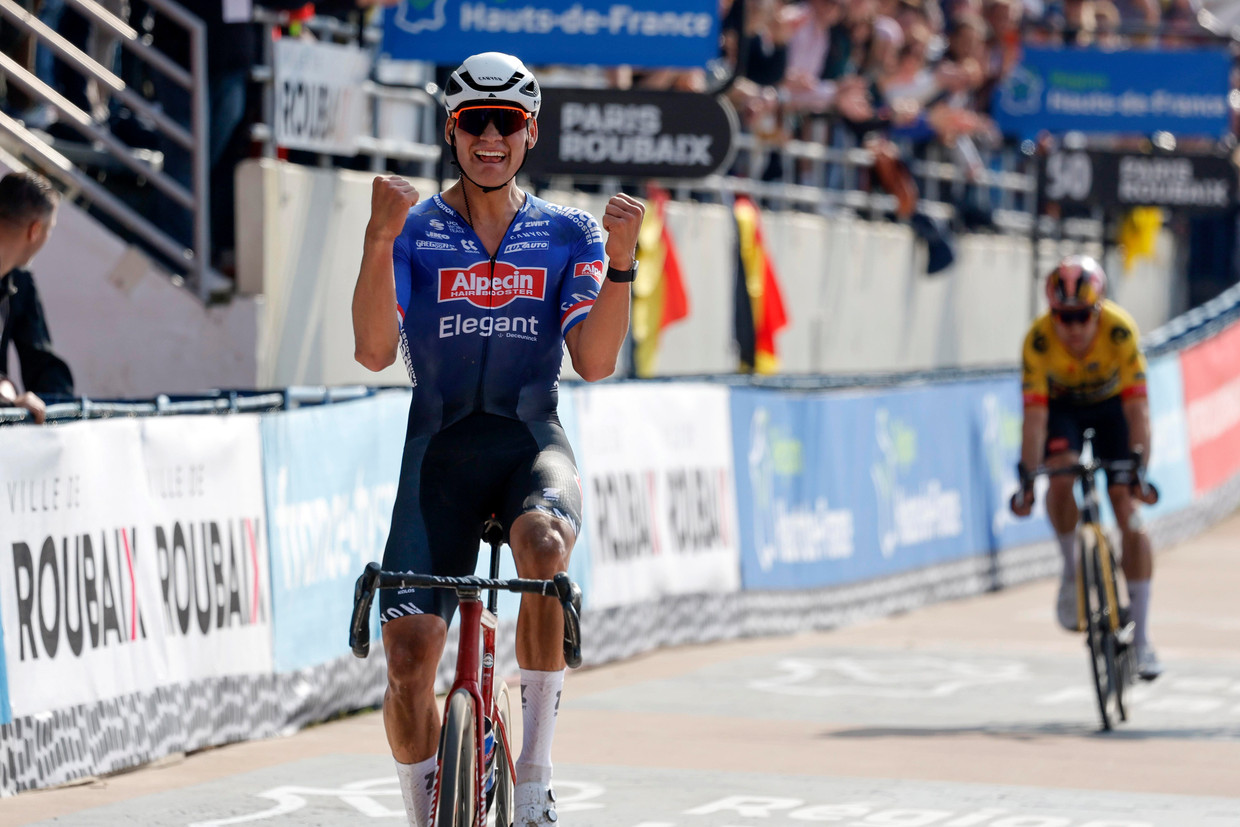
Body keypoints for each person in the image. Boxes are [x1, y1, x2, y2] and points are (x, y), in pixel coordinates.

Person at [350, 52, 643, 827]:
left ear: (530, 132)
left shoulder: (568, 232)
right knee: (408, 662)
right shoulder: (414, 229)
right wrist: (379, 240)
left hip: (527, 446)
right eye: (473, 122)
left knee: (543, 549)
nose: (489, 137)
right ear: (450, 130)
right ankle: (425, 814)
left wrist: (621, 266)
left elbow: (595, 362)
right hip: (438, 457)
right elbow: (374, 351)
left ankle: (535, 781)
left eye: (505, 122)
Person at [1010, 254, 1161, 679]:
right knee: (1060, 477)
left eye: (1082, 317)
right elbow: (1035, 420)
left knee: (1128, 512)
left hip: (1114, 409)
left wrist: (1139, 472)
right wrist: (1027, 481)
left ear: (1098, 310)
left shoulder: (1120, 330)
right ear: (1052, 314)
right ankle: (1072, 568)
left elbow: (1138, 411)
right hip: (1064, 412)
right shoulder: (1038, 341)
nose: (1074, 328)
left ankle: (1143, 640)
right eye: (1064, 317)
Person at [0, 170, 73, 423]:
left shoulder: (19, 281)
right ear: (35, 230)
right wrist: (7, 396)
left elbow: (40, 362)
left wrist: (63, 411)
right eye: (50, 230)